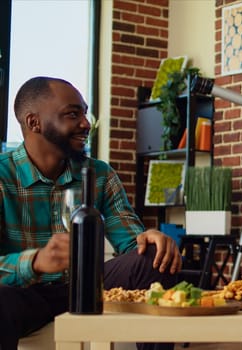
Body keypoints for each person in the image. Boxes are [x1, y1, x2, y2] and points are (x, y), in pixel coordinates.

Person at [0, 76, 182, 350]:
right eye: (72, 114)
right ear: (33, 122)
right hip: (22, 295)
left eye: (85, 113)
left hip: (87, 287)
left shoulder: (99, 174)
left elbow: (134, 244)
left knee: (154, 259)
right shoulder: (3, 175)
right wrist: (35, 262)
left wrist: (149, 239)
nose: (86, 123)